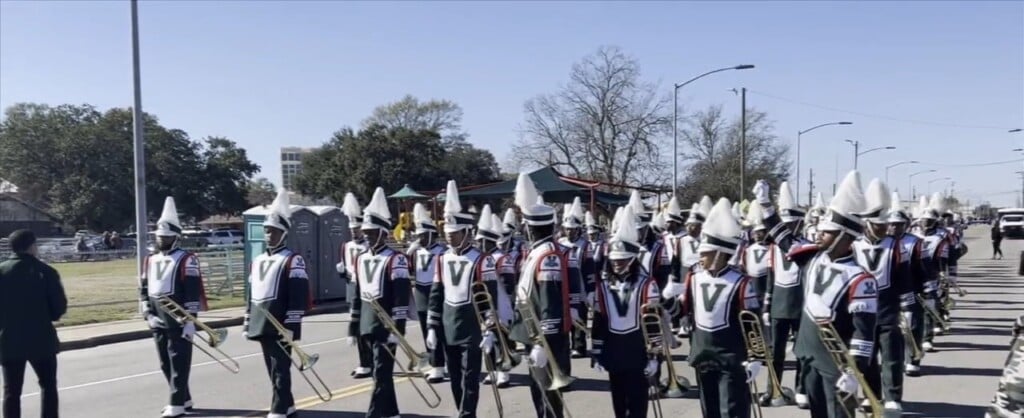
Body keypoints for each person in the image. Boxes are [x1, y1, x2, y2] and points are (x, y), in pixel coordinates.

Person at [755, 173, 879, 418]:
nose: (820, 234)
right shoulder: (811, 257)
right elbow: (783, 238)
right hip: (808, 354)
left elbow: (863, 331)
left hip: (838, 364)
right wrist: (767, 206)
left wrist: (855, 372)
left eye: (828, 231)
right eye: (821, 230)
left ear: (844, 236)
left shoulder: (860, 278)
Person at [666, 198, 762, 418]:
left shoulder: (741, 282)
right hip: (703, 354)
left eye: (705, 251)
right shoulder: (694, 277)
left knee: (733, 411)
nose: (700, 255)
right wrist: (666, 300)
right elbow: (680, 312)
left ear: (720, 253)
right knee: (709, 411)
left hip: (731, 356)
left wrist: (756, 357)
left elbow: (752, 323)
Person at [426, 183, 498, 418]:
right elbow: (436, 294)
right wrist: (432, 327)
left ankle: (467, 414)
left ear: (467, 232)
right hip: (449, 325)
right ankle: (463, 411)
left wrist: (490, 329)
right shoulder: (442, 258)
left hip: (472, 326)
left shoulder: (482, 260)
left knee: (469, 377)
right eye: (447, 234)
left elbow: (490, 297)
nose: (449, 237)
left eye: (454, 233)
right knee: (454, 377)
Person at [509, 173, 578, 418]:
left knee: (547, 395)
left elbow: (549, 302)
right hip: (536, 334)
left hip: (545, 337)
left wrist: (542, 343)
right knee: (540, 393)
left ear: (531, 227)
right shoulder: (539, 251)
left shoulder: (547, 255)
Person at [244, 189, 311, 418]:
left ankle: (280, 407)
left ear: (284, 233)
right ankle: (288, 403)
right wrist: (247, 321)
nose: (269, 235)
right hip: (261, 322)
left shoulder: (293, 259)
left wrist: (292, 325)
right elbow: (252, 294)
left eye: (274, 231)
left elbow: (298, 296)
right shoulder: (258, 260)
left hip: (282, 323)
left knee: (280, 367)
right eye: (267, 231)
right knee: (272, 368)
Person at [139, 197, 206, 417]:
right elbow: (144, 286)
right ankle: (184, 398)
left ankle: (176, 403)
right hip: (157, 318)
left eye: (167, 237)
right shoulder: (150, 259)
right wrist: (147, 311)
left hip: (179, 319)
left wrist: (190, 321)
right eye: (160, 237)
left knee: (179, 362)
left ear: (176, 237)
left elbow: (192, 291)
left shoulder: (186, 259)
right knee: (165, 363)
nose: (162, 240)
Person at [591, 206, 661, 418]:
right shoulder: (602, 286)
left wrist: (654, 356)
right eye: (614, 261)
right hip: (614, 349)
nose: (617, 264)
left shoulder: (647, 284)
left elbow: (653, 322)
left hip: (638, 349)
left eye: (622, 260)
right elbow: (599, 320)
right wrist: (596, 352)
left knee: (638, 405)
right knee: (619, 405)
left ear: (632, 259)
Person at [350, 187, 411, 418]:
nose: (367, 235)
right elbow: (357, 294)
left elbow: (401, 296)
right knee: (378, 372)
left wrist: (398, 328)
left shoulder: (396, 259)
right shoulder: (361, 258)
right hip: (367, 323)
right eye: (365, 232)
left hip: (387, 326)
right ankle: (392, 411)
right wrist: (353, 326)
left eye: (372, 232)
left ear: (384, 233)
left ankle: (374, 413)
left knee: (383, 371)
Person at [853, 180, 908, 414]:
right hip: (862, 311)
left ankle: (893, 395)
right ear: (867, 224)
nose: (883, 229)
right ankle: (871, 394)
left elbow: (904, 276)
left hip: (888, 308)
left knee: (891, 356)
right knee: (866, 356)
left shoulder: (896, 246)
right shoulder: (853, 246)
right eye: (878, 225)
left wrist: (907, 306)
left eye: (884, 225)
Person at [0, 229, 67, 418]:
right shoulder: (46, 272)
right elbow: (58, 308)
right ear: (32, 246)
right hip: (41, 340)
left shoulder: (2, 271)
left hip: (9, 340)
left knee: (11, 392)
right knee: (48, 386)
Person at [759, 181, 807, 408]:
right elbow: (770, 278)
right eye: (784, 225)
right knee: (775, 352)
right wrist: (767, 307)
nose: (787, 229)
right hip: (779, 305)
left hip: (800, 305)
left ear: (800, 223)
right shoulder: (773, 249)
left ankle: (802, 389)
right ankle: (773, 389)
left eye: (791, 224)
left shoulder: (806, 246)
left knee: (801, 351)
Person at [887, 193, 928, 378]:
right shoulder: (882, 244)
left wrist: (927, 290)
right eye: (891, 223)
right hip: (888, 295)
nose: (894, 227)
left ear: (906, 224)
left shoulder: (916, 243)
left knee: (912, 327)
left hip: (912, 291)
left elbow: (925, 269)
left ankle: (913, 360)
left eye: (898, 224)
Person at [409, 202, 449, 383]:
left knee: (440, 329)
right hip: (421, 293)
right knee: (427, 330)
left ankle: (441, 363)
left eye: (424, 235)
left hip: (438, 293)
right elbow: (410, 272)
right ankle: (435, 363)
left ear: (432, 234)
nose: (421, 239)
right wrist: (408, 253)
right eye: (419, 236)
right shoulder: (416, 252)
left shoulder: (443, 252)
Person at [339, 192, 374, 379]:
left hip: (366, 288)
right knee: (356, 326)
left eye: (357, 228)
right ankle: (364, 362)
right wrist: (341, 272)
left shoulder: (369, 247)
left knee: (367, 326)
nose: (354, 231)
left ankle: (372, 360)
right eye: (352, 229)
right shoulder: (345, 246)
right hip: (351, 287)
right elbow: (344, 267)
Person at [558, 197, 594, 359]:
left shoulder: (586, 245)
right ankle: (566, 344)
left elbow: (589, 268)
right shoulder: (559, 242)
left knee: (579, 315)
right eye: (567, 229)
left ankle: (579, 345)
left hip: (580, 286)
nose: (570, 232)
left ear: (579, 229)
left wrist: (590, 290)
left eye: (573, 229)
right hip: (564, 285)